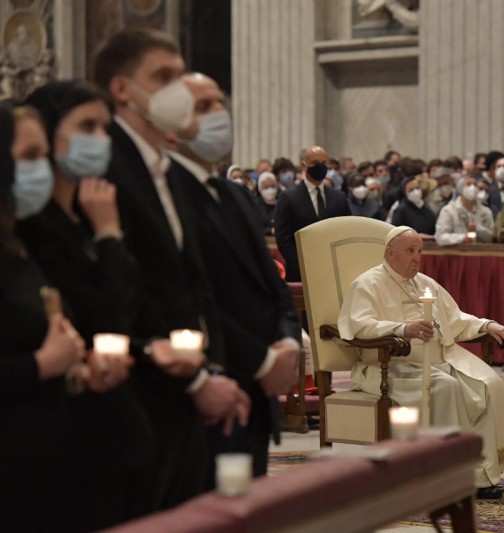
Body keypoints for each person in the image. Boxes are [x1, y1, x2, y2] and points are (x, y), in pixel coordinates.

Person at [94, 28, 248, 511]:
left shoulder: (165, 166)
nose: (178, 89)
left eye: (181, 76)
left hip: (193, 385)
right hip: (146, 389)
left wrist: (214, 368)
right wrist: (195, 381)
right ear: (122, 89)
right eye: (164, 77)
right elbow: (134, 288)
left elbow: (194, 281)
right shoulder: (108, 165)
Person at [18, 80, 155, 531]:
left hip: (115, 416)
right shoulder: (37, 228)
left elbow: (130, 301)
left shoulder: (84, 212)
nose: (102, 139)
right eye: (87, 126)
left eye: (105, 126)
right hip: (71, 432)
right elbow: (101, 314)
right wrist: (111, 236)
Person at [168, 72, 302, 480]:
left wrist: (288, 343)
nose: (218, 115)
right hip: (212, 385)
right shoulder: (168, 193)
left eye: (219, 103)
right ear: (171, 128)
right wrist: (262, 360)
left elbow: (273, 284)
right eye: (203, 107)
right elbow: (190, 293)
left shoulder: (234, 194)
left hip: (258, 390)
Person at [338, 226, 504, 499]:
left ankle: (481, 476)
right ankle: (448, 476)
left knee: (488, 384)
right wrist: (402, 329)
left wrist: (487, 324)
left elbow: (456, 319)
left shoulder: (426, 284)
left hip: (438, 360)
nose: (416, 258)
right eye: (410, 251)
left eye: (419, 251)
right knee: (444, 387)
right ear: (389, 253)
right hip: (389, 367)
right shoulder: (367, 284)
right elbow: (359, 326)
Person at [0, 103, 86, 533]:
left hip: (44, 456)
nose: (45, 171)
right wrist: (43, 363)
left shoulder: (21, 241)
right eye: (29, 157)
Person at [274, 145, 351, 282]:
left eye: (324, 163)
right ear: (304, 165)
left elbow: (347, 232)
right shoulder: (288, 197)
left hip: (334, 272)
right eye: (315, 163)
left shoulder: (339, 197)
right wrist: (303, 265)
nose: (321, 167)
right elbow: (283, 238)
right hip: (300, 273)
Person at [434, 175, 494, 245]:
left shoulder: (486, 212)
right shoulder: (448, 210)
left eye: (475, 185)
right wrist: (462, 238)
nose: (472, 187)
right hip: (457, 253)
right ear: (461, 188)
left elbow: (492, 238)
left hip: (481, 253)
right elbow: (440, 237)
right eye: (468, 184)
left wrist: (478, 229)